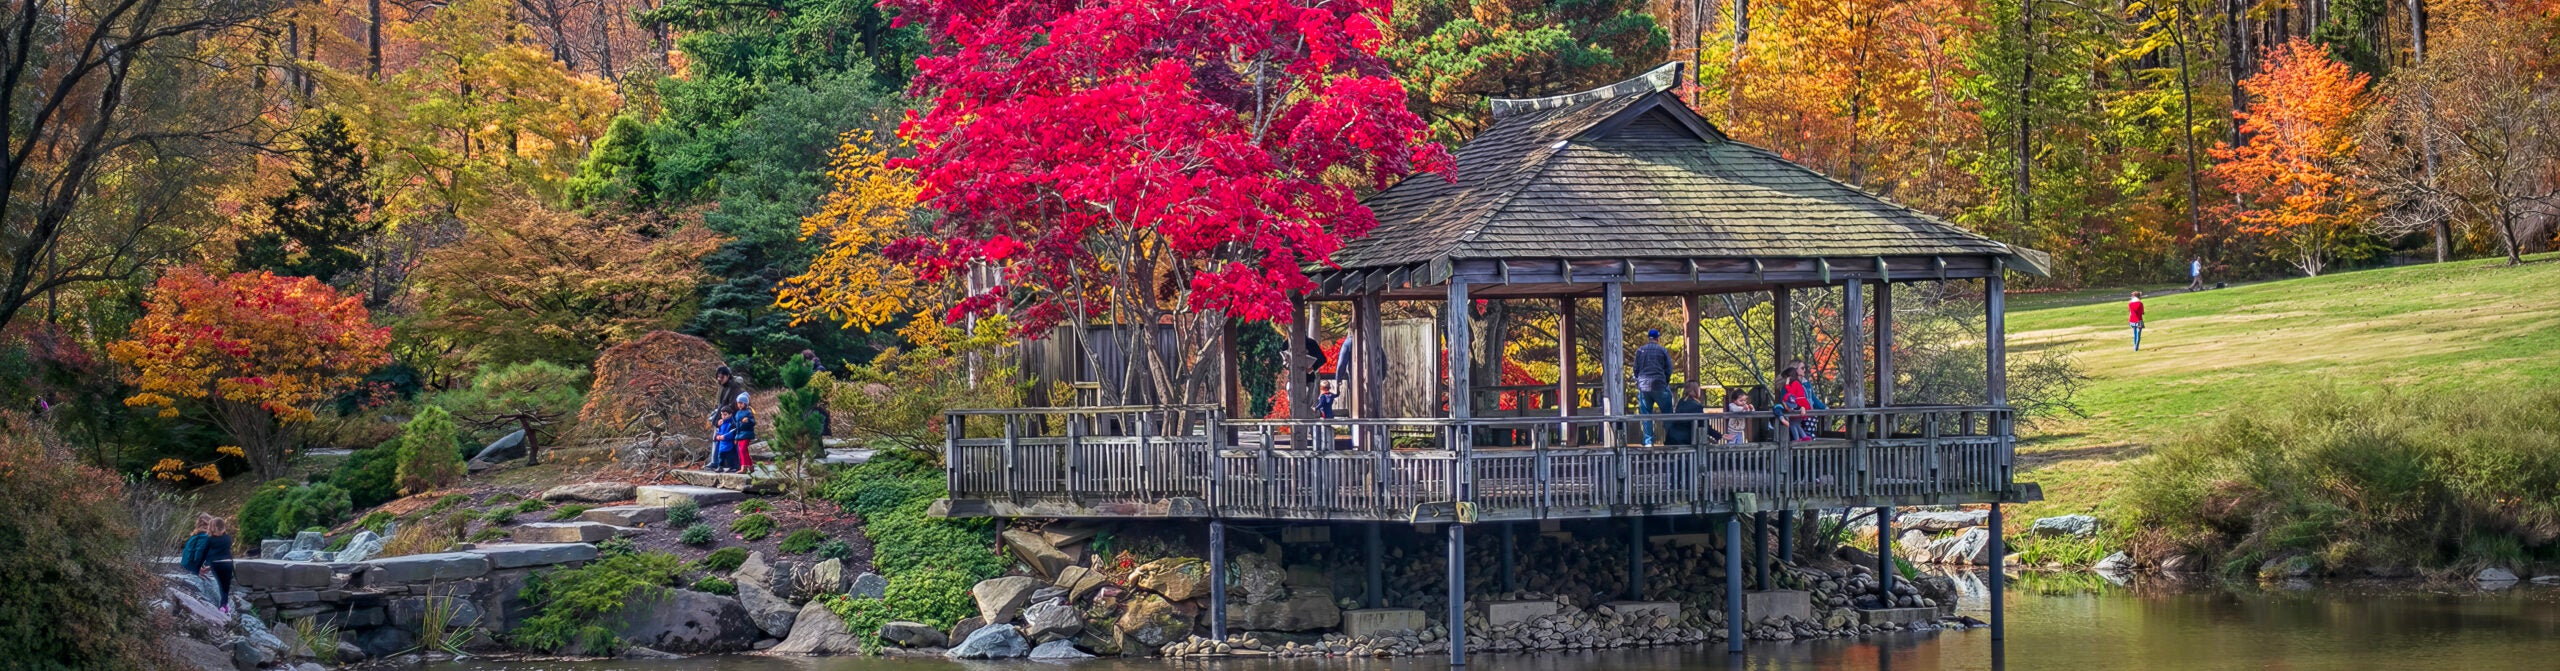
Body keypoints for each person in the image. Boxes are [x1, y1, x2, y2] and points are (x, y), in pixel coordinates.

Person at [1633, 328, 1674, 445]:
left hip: (1644, 386)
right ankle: (1670, 439)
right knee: (1667, 412)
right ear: (1658, 338)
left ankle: (1648, 442)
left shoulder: (1640, 351)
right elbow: (1669, 369)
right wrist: (1666, 381)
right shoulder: (1662, 351)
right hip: (1659, 384)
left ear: (1648, 338)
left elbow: (1635, 369)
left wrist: (1638, 381)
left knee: (1646, 414)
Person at [191, 514, 236, 613]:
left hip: (216, 564)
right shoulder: (228, 538)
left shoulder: (209, 540)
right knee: (225, 586)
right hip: (227, 563)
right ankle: (224, 605)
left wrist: (199, 567)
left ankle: (223, 607)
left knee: (220, 584)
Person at [1779, 365, 1816, 441]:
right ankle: (1804, 436)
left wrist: (1786, 384)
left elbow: (1791, 392)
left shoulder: (1795, 383)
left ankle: (1797, 439)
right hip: (1801, 403)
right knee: (1796, 424)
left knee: (1792, 424)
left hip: (1799, 403)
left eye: (1786, 378)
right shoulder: (1798, 383)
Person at [729, 393, 758, 474]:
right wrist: (736, 437)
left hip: (746, 434)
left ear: (745, 403)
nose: (739, 405)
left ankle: (744, 467)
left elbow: (753, 422)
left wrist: (748, 421)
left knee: (742, 450)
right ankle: (750, 465)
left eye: (741, 403)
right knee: (743, 451)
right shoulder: (738, 413)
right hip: (740, 435)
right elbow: (737, 427)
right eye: (738, 403)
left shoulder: (748, 412)